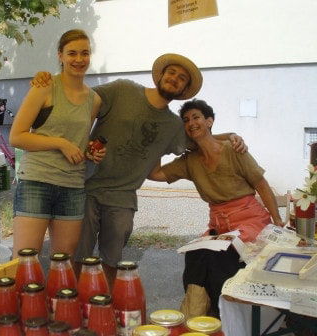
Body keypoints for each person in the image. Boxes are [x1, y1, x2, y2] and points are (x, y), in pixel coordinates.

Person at [32, 53, 247, 287]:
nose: (175, 78)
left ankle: (104, 308)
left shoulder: (174, 127)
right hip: (85, 184)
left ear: (184, 89)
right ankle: (69, 306)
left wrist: (231, 136)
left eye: (182, 78)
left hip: (122, 197)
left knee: (112, 260)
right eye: (172, 72)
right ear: (160, 75)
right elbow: (80, 99)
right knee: (76, 255)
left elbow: (201, 136)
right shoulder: (123, 89)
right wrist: (50, 81)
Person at [148, 98, 284, 317]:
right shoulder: (189, 161)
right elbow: (154, 174)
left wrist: (277, 221)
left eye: (196, 117)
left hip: (249, 221)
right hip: (219, 225)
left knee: (220, 256)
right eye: (186, 120)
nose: (191, 122)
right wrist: (160, 145)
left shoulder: (233, 149)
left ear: (209, 121)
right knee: (196, 253)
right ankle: (198, 315)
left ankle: (221, 317)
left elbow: (261, 185)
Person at [9, 29, 105, 259]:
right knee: (25, 259)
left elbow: (78, 142)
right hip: (37, 181)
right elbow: (17, 136)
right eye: (72, 53)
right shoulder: (44, 86)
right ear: (60, 55)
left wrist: (89, 152)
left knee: (63, 263)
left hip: (72, 186)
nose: (79, 59)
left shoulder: (94, 100)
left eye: (85, 53)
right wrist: (61, 143)